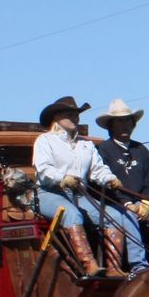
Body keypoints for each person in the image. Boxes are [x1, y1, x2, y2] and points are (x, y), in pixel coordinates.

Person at [32, 96, 125, 276]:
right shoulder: (44, 140)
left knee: (113, 216)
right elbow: (43, 170)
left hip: (79, 195)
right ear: (56, 117)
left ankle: (114, 268)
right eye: (69, 115)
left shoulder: (86, 144)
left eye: (76, 115)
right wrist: (62, 178)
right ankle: (89, 265)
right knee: (71, 214)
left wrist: (110, 179)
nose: (75, 118)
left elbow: (98, 169)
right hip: (49, 193)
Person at [93, 98, 149, 268]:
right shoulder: (103, 150)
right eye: (120, 121)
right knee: (128, 216)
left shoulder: (141, 150)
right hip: (116, 205)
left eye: (128, 121)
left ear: (133, 125)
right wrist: (126, 203)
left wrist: (146, 203)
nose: (125, 125)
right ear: (111, 125)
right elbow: (102, 182)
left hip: (142, 203)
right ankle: (138, 264)